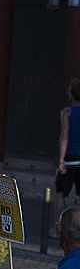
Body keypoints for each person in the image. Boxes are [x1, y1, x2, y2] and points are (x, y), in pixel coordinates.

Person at [53, 79, 80, 208]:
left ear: (71, 93)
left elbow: (64, 137)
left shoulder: (66, 113)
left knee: (60, 192)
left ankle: (59, 226)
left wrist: (61, 160)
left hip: (70, 157)